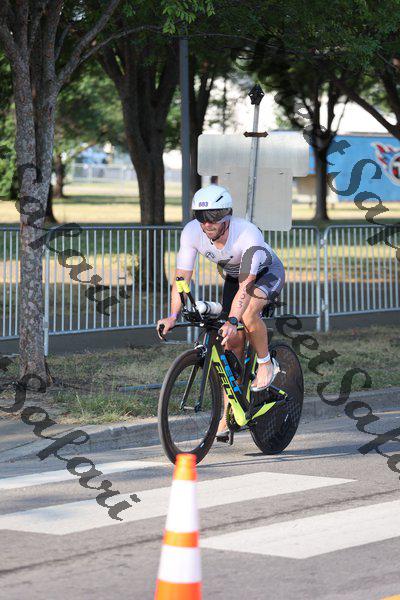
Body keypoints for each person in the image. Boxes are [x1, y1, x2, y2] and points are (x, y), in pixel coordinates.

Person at [156, 184, 286, 441]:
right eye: (201, 217)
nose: (207, 223)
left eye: (214, 217)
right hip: (235, 278)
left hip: (265, 275)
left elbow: (247, 286)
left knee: (247, 316)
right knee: (231, 342)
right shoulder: (192, 232)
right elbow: (181, 279)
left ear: (227, 215)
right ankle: (229, 413)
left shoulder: (247, 234)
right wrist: (172, 315)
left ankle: (265, 364)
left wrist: (233, 319)